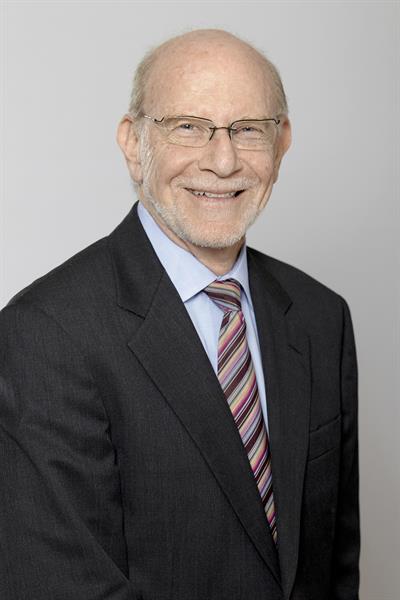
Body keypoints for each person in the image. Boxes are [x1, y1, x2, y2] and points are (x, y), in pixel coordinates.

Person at [0, 29, 360, 600]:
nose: (223, 161)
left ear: (283, 141)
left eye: (248, 130)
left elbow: (334, 568)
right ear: (132, 142)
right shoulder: (47, 334)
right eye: (188, 127)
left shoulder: (321, 318)